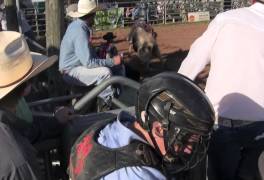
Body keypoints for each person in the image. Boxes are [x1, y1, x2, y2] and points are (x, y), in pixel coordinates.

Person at [178, 0, 264, 179]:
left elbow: (190, 67)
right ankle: (251, 163)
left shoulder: (225, 20)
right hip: (260, 126)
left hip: (220, 123)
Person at [69, 72, 215, 179]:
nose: (189, 150)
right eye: (185, 140)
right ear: (158, 129)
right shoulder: (141, 175)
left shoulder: (108, 129)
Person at [0, 31, 74, 179]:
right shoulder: (18, 160)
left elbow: (27, 132)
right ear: (27, 87)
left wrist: (55, 121)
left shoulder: (10, 126)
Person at [59, 0, 122, 105]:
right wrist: (112, 61)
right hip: (71, 71)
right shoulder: (80, 31)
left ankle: (110, 97)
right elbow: (89, 63)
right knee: (105, 73)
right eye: (95, 14)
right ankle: (106, 104)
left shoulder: (78, 26)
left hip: (73, 67)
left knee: (111, 67)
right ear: (91, 14)